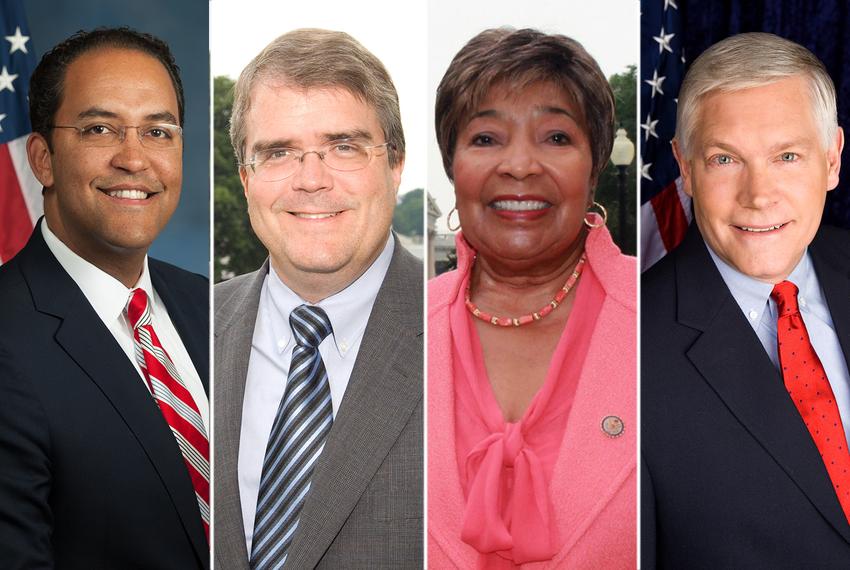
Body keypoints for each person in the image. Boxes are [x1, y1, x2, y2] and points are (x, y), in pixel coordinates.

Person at [0, 28, 209, 569]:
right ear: (42, 159)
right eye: (100, 129)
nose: (134, 159)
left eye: (159, 132)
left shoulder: (211, 306)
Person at [214, 29, 423, 569]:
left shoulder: (468, 336)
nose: (311, 179)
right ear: (245, 177)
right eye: (278, 152)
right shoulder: (178, 334)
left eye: (343, 147)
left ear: (395, 165)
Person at [428, 28, 636, 568]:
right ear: (453, 167)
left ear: (594, 169)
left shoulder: (668, 313)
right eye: (486, 138)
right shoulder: (388, 331)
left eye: (556, 138)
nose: (519, 165)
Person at [642, 32, 850, 567]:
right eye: (725, 160)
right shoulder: (627, 349)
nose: (759, 195)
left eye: (786, 155)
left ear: (831, 160)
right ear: (685, 168)